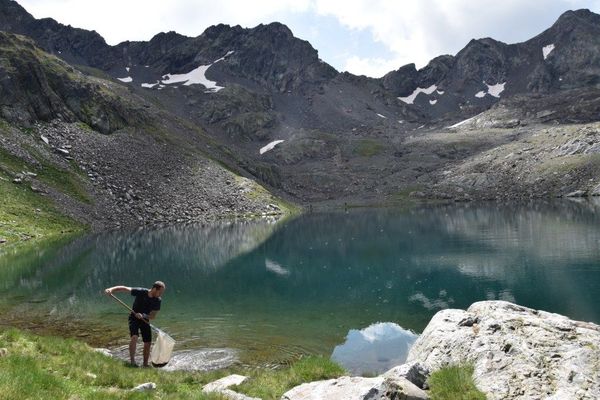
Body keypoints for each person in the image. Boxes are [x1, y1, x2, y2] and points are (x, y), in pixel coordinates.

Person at [104, 281, 165, 367]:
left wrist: (143, 315)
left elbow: (153, 316)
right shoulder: (141, 292)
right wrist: (111, 289)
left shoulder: (158, 300)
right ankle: (132, 362)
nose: (161, 294)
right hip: (133, 318)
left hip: (145, 320)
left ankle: (145, 364)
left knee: (147, 342)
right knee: (134, 337)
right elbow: (124, 288)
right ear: (154, 289)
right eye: (160, 292)